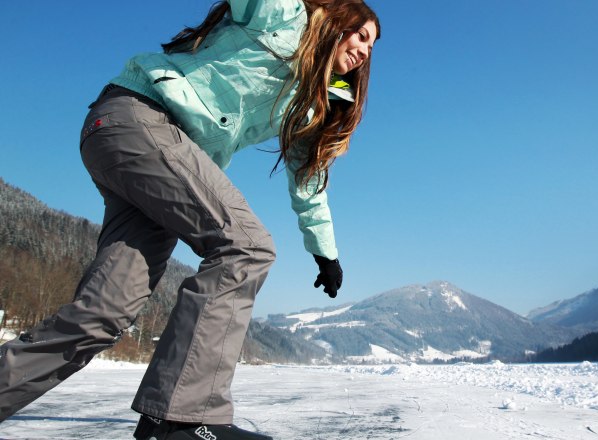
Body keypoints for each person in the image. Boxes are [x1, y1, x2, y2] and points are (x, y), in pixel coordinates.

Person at [0, 0, 380, 438]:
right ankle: (180, 418)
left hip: (140, 151)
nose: (364, 49)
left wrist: (325, 254)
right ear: (335, 19)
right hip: (142, 118)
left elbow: (308, 182)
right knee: (246, 245)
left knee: (103, 314)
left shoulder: (311, 101)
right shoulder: (283, 14)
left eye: (371, 47)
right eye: (360, 33)